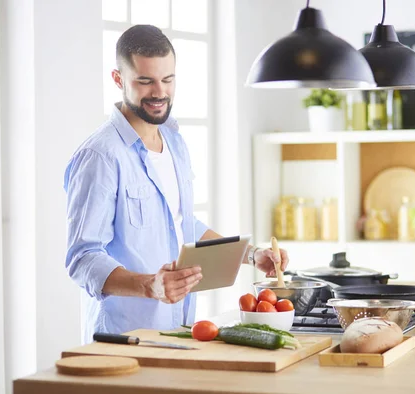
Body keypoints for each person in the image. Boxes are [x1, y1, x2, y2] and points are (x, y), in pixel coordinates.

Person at [63, 24, 289, 344]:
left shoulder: (173, 141)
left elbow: (181, 225)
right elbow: (83, 258)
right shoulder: (100, 156)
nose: (160, 92)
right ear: (118, 79)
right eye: (145, 81)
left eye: (167, 79)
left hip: (178, 331)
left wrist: (251, 255)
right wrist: (149, 285)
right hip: (122, 339)